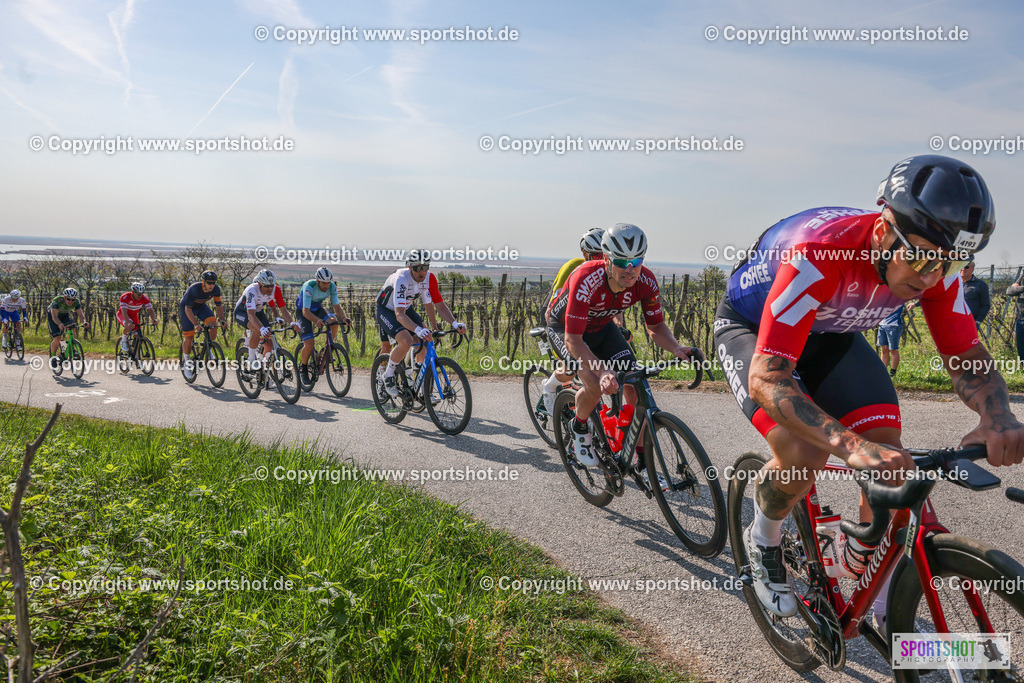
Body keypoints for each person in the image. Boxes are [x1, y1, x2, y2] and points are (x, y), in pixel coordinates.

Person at [714, 155, 1023, 629]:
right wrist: (849, 447)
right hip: (755, 332)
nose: (930, 278)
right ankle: (765, 535)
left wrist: (998, 415)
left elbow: (965, 354)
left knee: (888, 452)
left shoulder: (933, 264)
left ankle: (881, 604)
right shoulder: (818, 253)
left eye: (952, 263)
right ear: (883, 232)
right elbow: (769, 378)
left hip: (830, 332)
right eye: (920, 258)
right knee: (803, 452)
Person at [546, 223, 703, 492]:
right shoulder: (586, 278)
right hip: (566, 330)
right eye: (621, 261)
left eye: (636, 260)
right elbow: (574, 340)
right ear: (606, 259)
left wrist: (676, 348)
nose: (630, 269)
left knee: (635, 385)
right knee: (594, 383)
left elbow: (656, 327)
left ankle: (641, 459)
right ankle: (579, 426)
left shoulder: (646, 281)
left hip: (603, 327)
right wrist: (602, 370)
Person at [540, 228, 630, 415]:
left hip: (588, 319)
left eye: (604, 255)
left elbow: (615, 305)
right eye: (596, 255)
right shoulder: (574, 268)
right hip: (557, 316)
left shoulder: (609, 273)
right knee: (572, 367)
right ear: (584, 254)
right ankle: (549, 387)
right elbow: (552, 310)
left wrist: (619, 326)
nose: (601, 260)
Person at [376, 250, 466, 397]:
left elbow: (436, 305)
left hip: (405, 307)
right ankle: (388, 376)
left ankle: (420, 387)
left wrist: (453, 324)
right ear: (410, 267)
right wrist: (417, 329)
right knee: (406, 340)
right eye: (417, 267)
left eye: (425, 267)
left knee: (425, 340)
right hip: (387, 310)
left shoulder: (429, 279)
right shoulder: (401, 279)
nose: (422, 271)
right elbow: (399, 314)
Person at [296, 267, 352, 383]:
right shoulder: (309, 287)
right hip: (303, 311)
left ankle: (327, 349)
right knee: (309, 343)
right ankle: (304, 368)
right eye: (323, 283)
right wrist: (316, 320)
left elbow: (337, 308)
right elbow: (306, 312)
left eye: (328, 283)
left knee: (333, 321)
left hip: (317, 308)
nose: (326, 286)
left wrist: (344, 318)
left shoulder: (332, 287)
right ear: (317, 281)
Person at [233, 269, 294, 371]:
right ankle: (251, 359)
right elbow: (251, 315)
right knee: (257, 329)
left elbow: (283, 309)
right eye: (266, 286)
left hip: (258, 312)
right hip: (243, 312)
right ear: (260, 284)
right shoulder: (252, 290)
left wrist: (292, 322)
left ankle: (263, 371)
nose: (270, 288)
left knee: (269, 345)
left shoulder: (276, 290)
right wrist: (261, 328)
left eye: (272, 285)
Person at [180, 270, 226, 379]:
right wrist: (196, 324)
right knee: (189, 336)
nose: (211, 285)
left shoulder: (216, 289)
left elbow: (218, 306)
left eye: (213, 283)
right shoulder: (194, 289)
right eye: (209, 283)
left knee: (213, 324)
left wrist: (222, 320)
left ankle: (209, 348)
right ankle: (186, 363)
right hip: (187, 309)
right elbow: (188, 309)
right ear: (203, 281)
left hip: (201, 307)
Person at [48, 287, 90, 370]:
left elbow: (81, 315)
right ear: (64, 297)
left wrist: (84, 322)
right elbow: (54, 317)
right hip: (53, 316)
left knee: (73, 327)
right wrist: (59, 324)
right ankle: (53, 358)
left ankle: (70, 347)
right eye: (68, 299)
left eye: (73, 300)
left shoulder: (76, 302)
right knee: (57, 338)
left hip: (65, 315)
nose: (71, 301)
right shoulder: (57, 301)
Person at [117, 283, 157, 354]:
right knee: (128, 325)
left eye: (141, 293)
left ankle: (135, 355)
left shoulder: (144, 298)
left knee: (137, 335)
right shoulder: (125, 297)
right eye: (137, 293)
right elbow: (124, 311)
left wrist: (154, 319)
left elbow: (150, 310)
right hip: (123, 314)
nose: (139, 295)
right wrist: (128, 322)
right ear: (132, 292)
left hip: (134, 315)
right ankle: (123, 341)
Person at [876, 304, 904, 377]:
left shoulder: (899, 294)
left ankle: (892, 373)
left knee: (893, 350)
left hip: (894, 325)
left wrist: (915, 304)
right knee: (884, 349)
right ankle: (883, 373)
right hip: (882, 325)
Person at [960, 261, 990, 329]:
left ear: (972, 269)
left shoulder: (981, 284)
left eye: (966, 267)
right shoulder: (953, 283)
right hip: (953, 322)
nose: (963, 269)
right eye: (961, 267)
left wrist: (978, 321)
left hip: (970, 324)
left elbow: (986, 305)